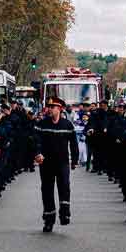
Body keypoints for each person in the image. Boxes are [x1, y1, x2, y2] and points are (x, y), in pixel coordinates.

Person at [34, 97, 78, 233]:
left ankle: (64, 214)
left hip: (62, 162)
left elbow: (74, 144)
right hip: (46, 163)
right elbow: (36, 141)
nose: (49, 109)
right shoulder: (41, 124)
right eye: (49, 107)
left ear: (59, 109)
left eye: (52, 107)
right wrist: (38, 153)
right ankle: (49, 220)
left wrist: (75, 160)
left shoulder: (67, 125)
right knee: (47, 190)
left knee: (64, 187)